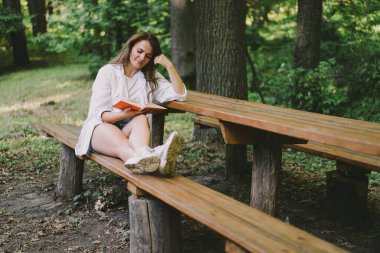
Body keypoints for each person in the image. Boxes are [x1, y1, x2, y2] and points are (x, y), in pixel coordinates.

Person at [75, 32, 187, 176]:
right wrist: (124, 114)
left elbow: (179, 94)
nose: (141, 58)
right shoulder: (107, 72)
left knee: (141, 119)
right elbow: (102, 116)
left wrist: (169, 65)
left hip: (127, 130)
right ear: (130, 47)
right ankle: (159, 159)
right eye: (139, 51)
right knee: (124, 146)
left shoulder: (149, 78)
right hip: (100, 129)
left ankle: (147, 154)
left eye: (148, 56)